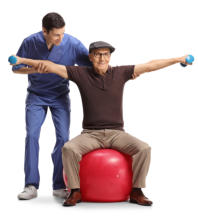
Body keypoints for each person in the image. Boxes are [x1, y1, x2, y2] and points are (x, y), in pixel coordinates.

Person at [10, 41, 191, 206]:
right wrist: (21, 59)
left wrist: (177, 59)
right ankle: (75, 191)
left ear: (110, 57)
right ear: (90, 57)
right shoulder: (81, 74)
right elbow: (50, 66)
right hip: (90, 134)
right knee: (68, 149)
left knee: (144, 148)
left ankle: (136, 191)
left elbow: (150, 65)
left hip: (117, 134)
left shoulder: (120, 73)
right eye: (97, 54)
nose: (102, 58)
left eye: (105, 54)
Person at [12, 12, 91, 200]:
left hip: (60, 96)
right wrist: (33, 69)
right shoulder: (30, 42)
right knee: (32, 136)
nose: (60, 38)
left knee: (63, 138)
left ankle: (58, 184)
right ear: (44, 31)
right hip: (36, 96)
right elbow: (15, 68)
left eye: (63, 33)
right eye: (56, 34)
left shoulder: (72, 44)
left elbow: (90, 65)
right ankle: (30, 185)